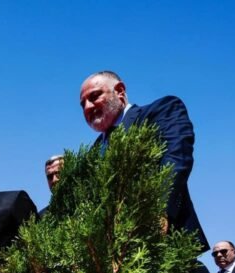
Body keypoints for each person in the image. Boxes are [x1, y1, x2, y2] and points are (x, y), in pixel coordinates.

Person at [79, 70, 209, 252]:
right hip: (112, 253)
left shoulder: (160, 112)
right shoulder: (94, 150)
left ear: (120, 91)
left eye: (94, 96)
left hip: (165, 244)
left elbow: (176, 158)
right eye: (83, 104)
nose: (87, 107)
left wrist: (158, 211)